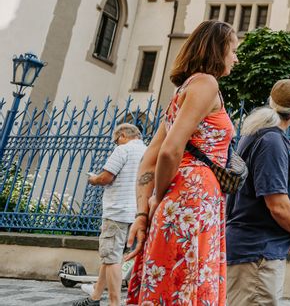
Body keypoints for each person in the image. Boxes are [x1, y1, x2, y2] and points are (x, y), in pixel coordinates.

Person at [124, 20, 238, 305]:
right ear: (218, 49)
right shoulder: (207, 84)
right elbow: (168, 152)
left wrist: (144, 212)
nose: (235, 58)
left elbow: (148, 160)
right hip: (192, 199)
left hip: (181, 198)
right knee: (188, 282)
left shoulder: (181, 92)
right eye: (233, 50)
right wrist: (159, 198)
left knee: (172, 282)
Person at [226, 79, 290, 306]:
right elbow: (277, 203)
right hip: (258, 253)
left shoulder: (255, 133)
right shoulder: (271, 140)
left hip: (255, 249)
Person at [73, 123, 145, 306]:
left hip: (117, 212)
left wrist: (93, 179)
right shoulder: (147, 150)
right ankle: (95, 297)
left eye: (116, 140)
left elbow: (106, 177)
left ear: (122, 135)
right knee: (110, 255)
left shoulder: (122, 151)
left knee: (112, 258)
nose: (115, 144)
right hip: (137, 213)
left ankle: (114, 302)